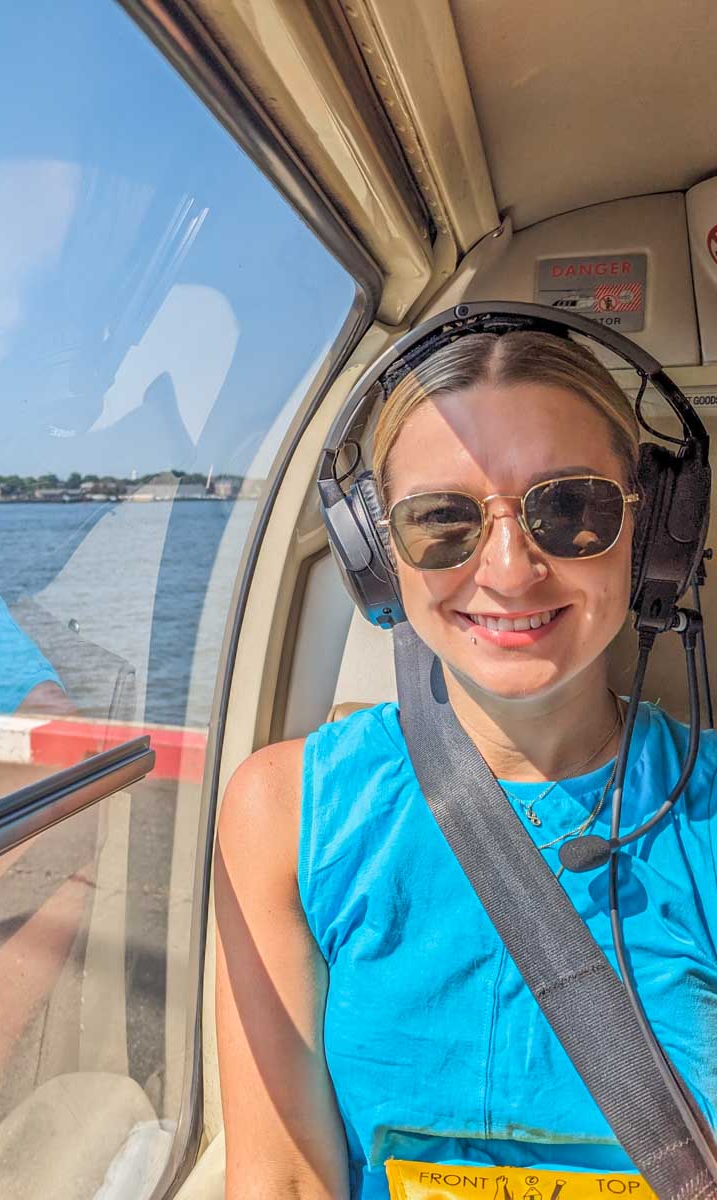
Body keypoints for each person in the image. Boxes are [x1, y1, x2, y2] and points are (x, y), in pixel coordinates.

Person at [214, 329, 717, 1198]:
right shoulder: (283, 813)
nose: (511, 572)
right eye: (443, 519)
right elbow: (283, 1180)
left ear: (652, 533)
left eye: (570, 508)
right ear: (377, 554)